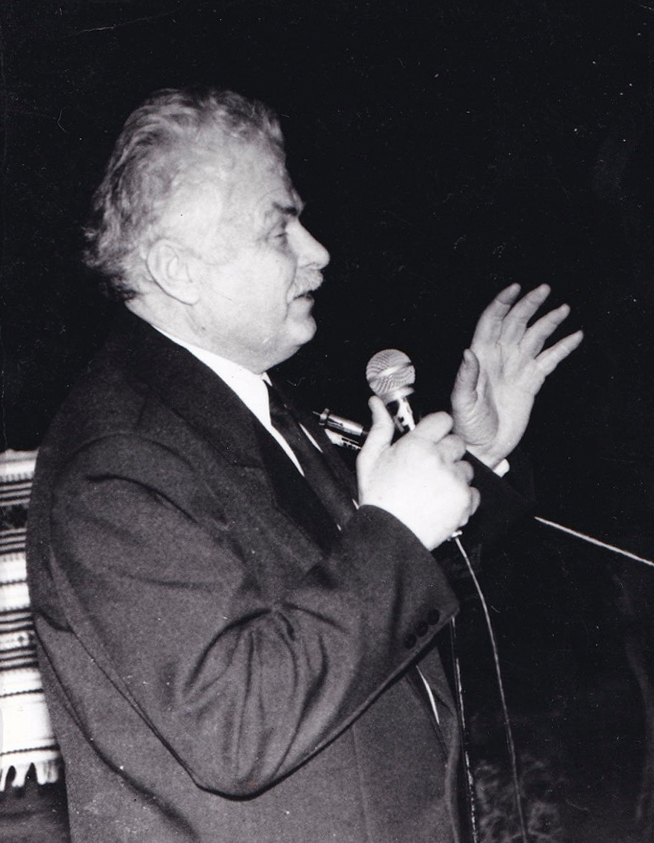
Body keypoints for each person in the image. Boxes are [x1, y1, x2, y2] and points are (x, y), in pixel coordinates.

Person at [26, 87, 582, 842]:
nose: (317, 252)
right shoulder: (119, 461)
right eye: (279, 229)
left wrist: (477, 459)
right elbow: (235, 724)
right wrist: (393, 527)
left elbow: (364, 606)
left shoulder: (242, 406)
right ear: (177, 270)